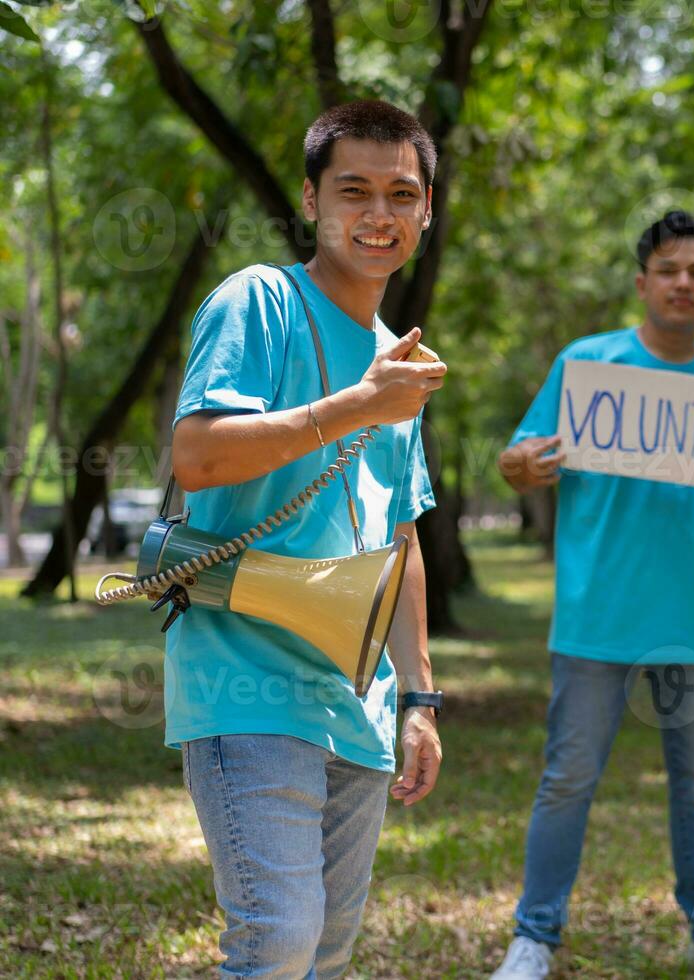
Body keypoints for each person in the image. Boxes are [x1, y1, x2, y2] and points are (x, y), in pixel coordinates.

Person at [167, 100, 447, 978]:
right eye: (353, 190)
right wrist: (360, 405)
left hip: (358, 704)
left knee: (323, 955)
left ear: (427, 210)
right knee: (277, 943)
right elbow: (199, 455)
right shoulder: (259, 300)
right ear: (310, 200)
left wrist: (422, 702)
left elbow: (400, 535)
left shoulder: (395, 360)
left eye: (401, 194)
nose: (378, 215)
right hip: (245, 683)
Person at [490, 210, 694, 980]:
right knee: (567, 781)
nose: (682, 282)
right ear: (642, 282)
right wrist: (521, 465)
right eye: (669, 270)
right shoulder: (587, 365)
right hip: (597, 615)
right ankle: (535, 937)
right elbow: (518, 458)